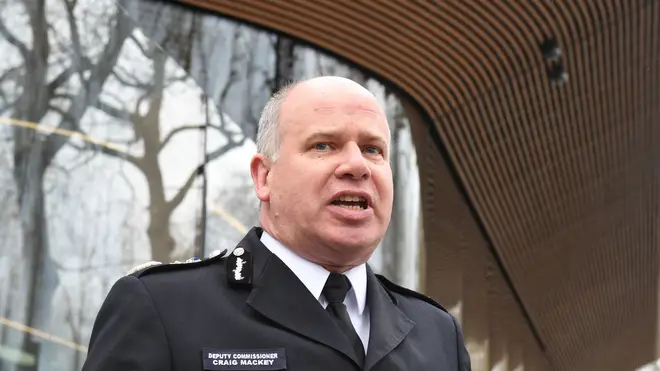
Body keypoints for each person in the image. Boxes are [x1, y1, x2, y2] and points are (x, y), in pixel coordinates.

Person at [81, 76, 471, 371]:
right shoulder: (163, 308)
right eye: (324, 145)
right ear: (264, 177)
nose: (356, 165)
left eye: (373, 149)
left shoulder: (436, 334)